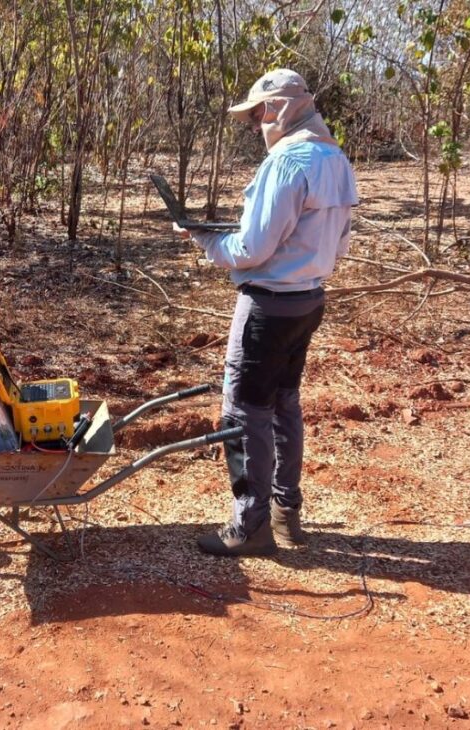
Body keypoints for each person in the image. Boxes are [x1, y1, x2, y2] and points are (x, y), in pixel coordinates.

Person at [174, 69, 358, 557]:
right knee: (283, 404)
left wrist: (204, 238)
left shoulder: (287, 162)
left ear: (277, 109)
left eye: (258, 114)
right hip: (308, 300)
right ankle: (285, 513)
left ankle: (251, 525)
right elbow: (338, 244)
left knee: (244, 411)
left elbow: (251, 248)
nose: (257, 125)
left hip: (268, 306)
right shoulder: (336, 159)